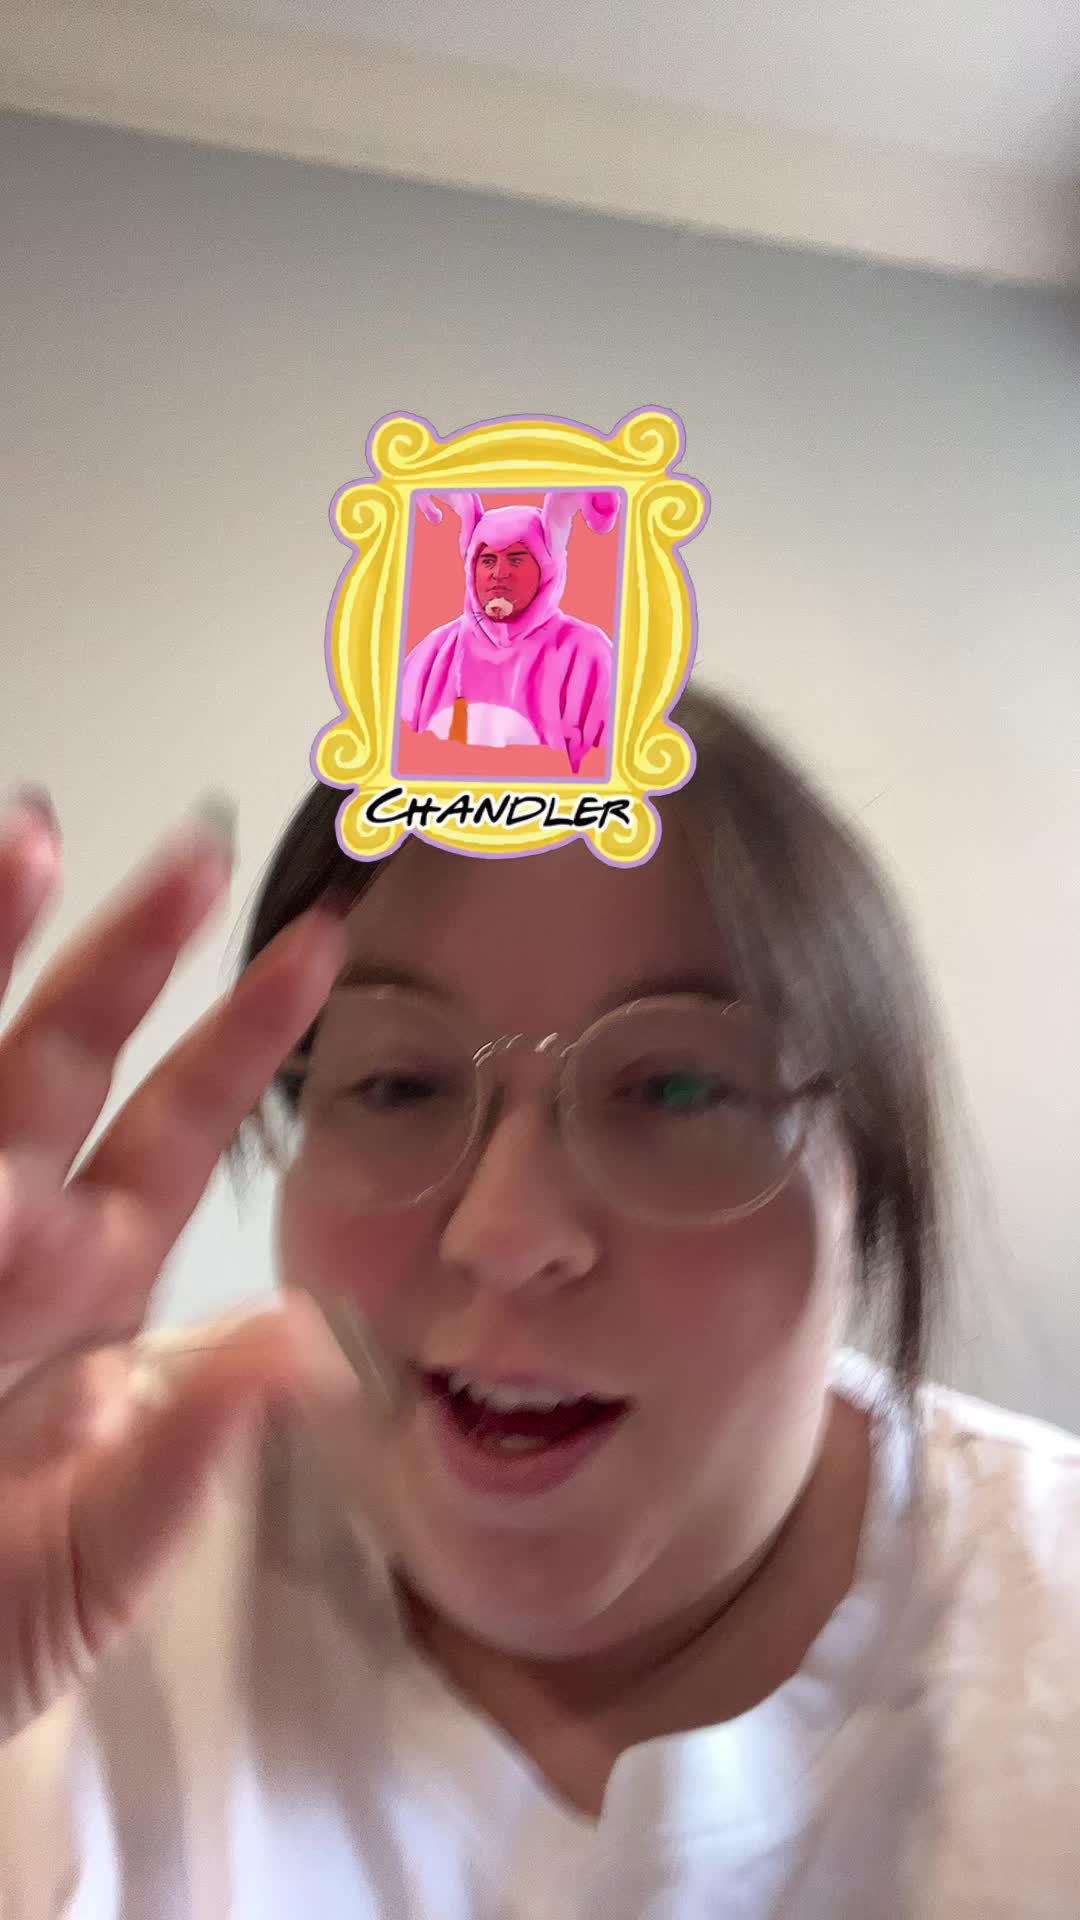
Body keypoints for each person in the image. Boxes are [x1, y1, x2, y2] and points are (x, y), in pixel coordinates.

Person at [0, 681, 1077, 1918]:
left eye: (675, 1090)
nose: (505, 1236)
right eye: (399, 1085)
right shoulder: (66, 1529)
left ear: (866, 1176)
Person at [400, 490, 617, 769]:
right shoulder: (434, 653)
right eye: (488, 560)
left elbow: (607, 764)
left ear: (547, 570)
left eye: (516, 560)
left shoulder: (588, 654)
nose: (499, 573)